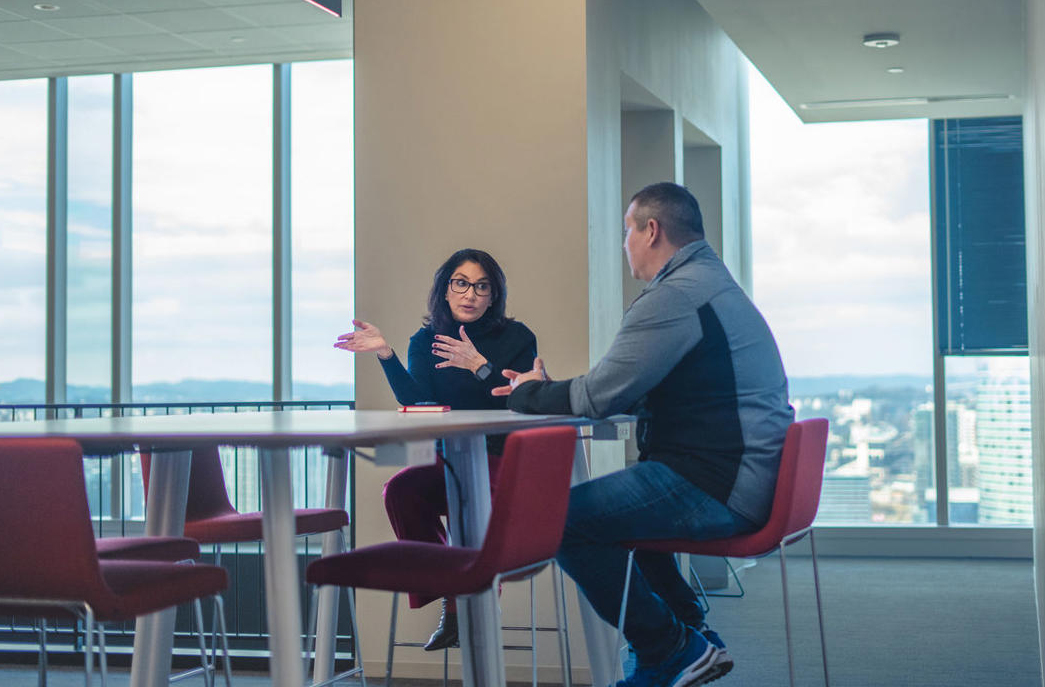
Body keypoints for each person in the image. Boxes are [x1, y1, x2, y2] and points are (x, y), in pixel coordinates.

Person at [493, 183, 793, 687]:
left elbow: (599, 396)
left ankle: (671, 648)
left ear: (650, 231)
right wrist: (565, 391)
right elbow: (627, 391)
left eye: (626, 231)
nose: (624, 243)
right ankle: (692, 634)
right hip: (739, 474)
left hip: (719, 484)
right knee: (617, 515)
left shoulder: (676, 295)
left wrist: (528, 392)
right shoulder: (709, 284)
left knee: (560, 521)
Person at [335, 248, 536, 650]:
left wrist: (480, 367)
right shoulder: (425, 341)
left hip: (504, 461)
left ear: (493, 296)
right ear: (446, 290)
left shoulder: (517, 338)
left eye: (482, 286)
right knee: (402, 491)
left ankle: (465, 602)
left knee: (470, 497)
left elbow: (521, 400)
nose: (470, 294)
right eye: (461, 283)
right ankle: (454, 590)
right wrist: (386, 354)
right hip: (451, 461)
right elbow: (420, 404)